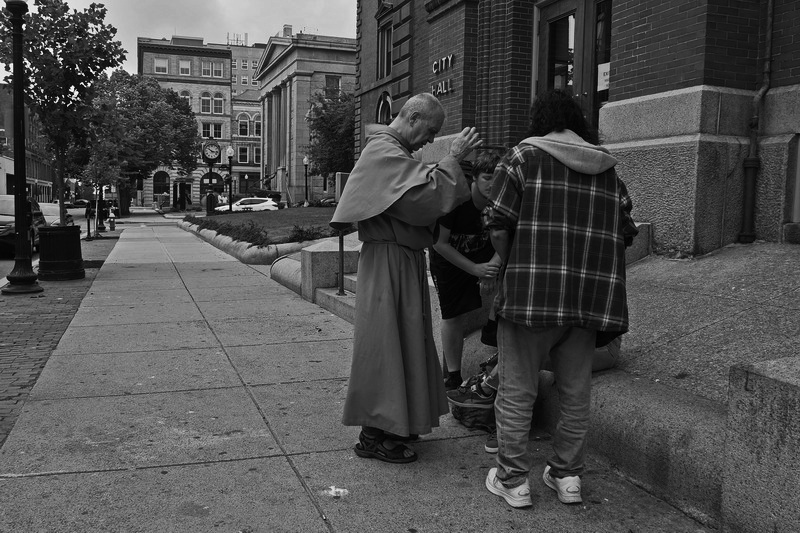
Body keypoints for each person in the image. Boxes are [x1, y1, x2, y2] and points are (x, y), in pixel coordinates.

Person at [482, 89, 637, 508]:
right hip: (587, 300)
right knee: (575, 393)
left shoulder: (522, 158)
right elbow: (626, 232)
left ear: (540, 121)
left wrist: (510, 263)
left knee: (517, 391)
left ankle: (514, 480)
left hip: (532, 295)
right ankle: (568, 477)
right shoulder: (608, 170)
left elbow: (498, 223)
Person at [330, 92, 482, 464]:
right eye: (430, 130)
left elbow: (417, 195)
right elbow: (424, 200)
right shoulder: (384, 151)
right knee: (385, 343)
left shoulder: (393, 152)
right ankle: (373, 434)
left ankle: (395, 422)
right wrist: (453, 158)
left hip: (399, 259)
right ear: (413, 117)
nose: (431, 139)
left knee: (404, 340)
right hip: (388, 261)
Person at [430, 148, 504, 392]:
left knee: (512, 272)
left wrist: (491, 269)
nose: (492, 185)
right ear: (475, 178)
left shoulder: (504, 202)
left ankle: (493, 329)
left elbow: (509, 236)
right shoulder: (457, 200)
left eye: (498, 178)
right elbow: (439, 243)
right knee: (452, 314)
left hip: (484, 255)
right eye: (486, 178)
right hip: (449, 258)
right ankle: (452, 374)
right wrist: (475, 269)